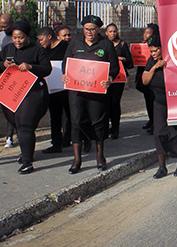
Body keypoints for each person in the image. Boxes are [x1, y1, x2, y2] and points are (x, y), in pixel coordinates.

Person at [62, 15, 119, 174]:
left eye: (92, 29)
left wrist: (109, 78)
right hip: (77, 92)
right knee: (76, 122)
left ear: (98, 29)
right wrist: (65, 74)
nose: (89, 32)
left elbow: (115, 68)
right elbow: (66, 63)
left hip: (97, 93)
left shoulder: (106, 44)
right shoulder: (75, 43)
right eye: (86, 29)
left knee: (98, 122)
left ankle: (100, 156)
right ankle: (77, 160)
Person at [0, 21, 51, 174]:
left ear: (27, 36)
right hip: (13, 92)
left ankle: (27, 162)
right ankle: (26, 152)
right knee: (17, 122)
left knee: (25, 124)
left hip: (33, 93)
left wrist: (31, 67)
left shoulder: (37, 50)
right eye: (14, 37)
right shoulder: (8, 49)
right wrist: (2, 64)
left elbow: (47, 69)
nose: (17, 41)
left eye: (21, 38)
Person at [143, 35, 177, 178]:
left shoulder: (174, 59)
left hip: (175, 101)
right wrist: (155, 67)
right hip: (159, 101)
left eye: (156, 50)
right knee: (158, 133)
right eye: (151, 51)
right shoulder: (151, 62)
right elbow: (144, 81)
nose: (153, 54)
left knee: (175, 132)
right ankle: (162, 167)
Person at [37, 27, 71, 153]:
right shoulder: (43, 51)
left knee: (71, 115)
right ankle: (56, 144)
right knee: (55, 117)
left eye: (42, 39)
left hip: (66, 88)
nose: (40, 42)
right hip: (51, 88)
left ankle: (78, 139)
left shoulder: (65, 47)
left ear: (49, 37)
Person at [104, 23, 133, 140]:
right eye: (110, 31)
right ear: (106, 33)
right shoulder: (103, 44)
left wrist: (120, 58)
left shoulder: (122, 44)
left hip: (119, 77)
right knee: (105, 103)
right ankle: (105, 128)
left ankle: (115, 129)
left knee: (115, 103)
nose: (112, 34)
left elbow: (130, 62)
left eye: (114, 31)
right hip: (105, 77)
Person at [135, 23, 158, 133]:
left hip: (152, 76)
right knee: (147, 100)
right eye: (145, 32)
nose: (145, 35)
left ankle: (155, 122)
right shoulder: (143, 45)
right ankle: (151, 120)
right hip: (143, 74)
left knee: (153, 101)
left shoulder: (156, 45)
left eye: (148, 33)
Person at [0, 13, 16, 147]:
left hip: (19, 76)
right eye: (1, 27)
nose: (3, 29)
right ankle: (9, 135)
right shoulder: (1, 37)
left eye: (6, 26)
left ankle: (13, 134)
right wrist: (3, 64)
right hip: (6, 76)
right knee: (8, 106)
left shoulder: (20, 36)